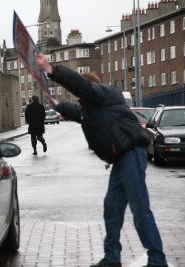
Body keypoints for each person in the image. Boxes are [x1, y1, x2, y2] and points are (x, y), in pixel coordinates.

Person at [36, 53, 168, 267]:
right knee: (112, 208)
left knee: (139, 208)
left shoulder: (105, 94)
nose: (79, 98)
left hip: (132, 153)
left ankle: (157, 260)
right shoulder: (91, 108)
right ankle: (112, 257)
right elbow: (75, 111)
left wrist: (52, 70)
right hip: (121, 158)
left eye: (80, 94)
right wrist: (57, 104)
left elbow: (82, 87)